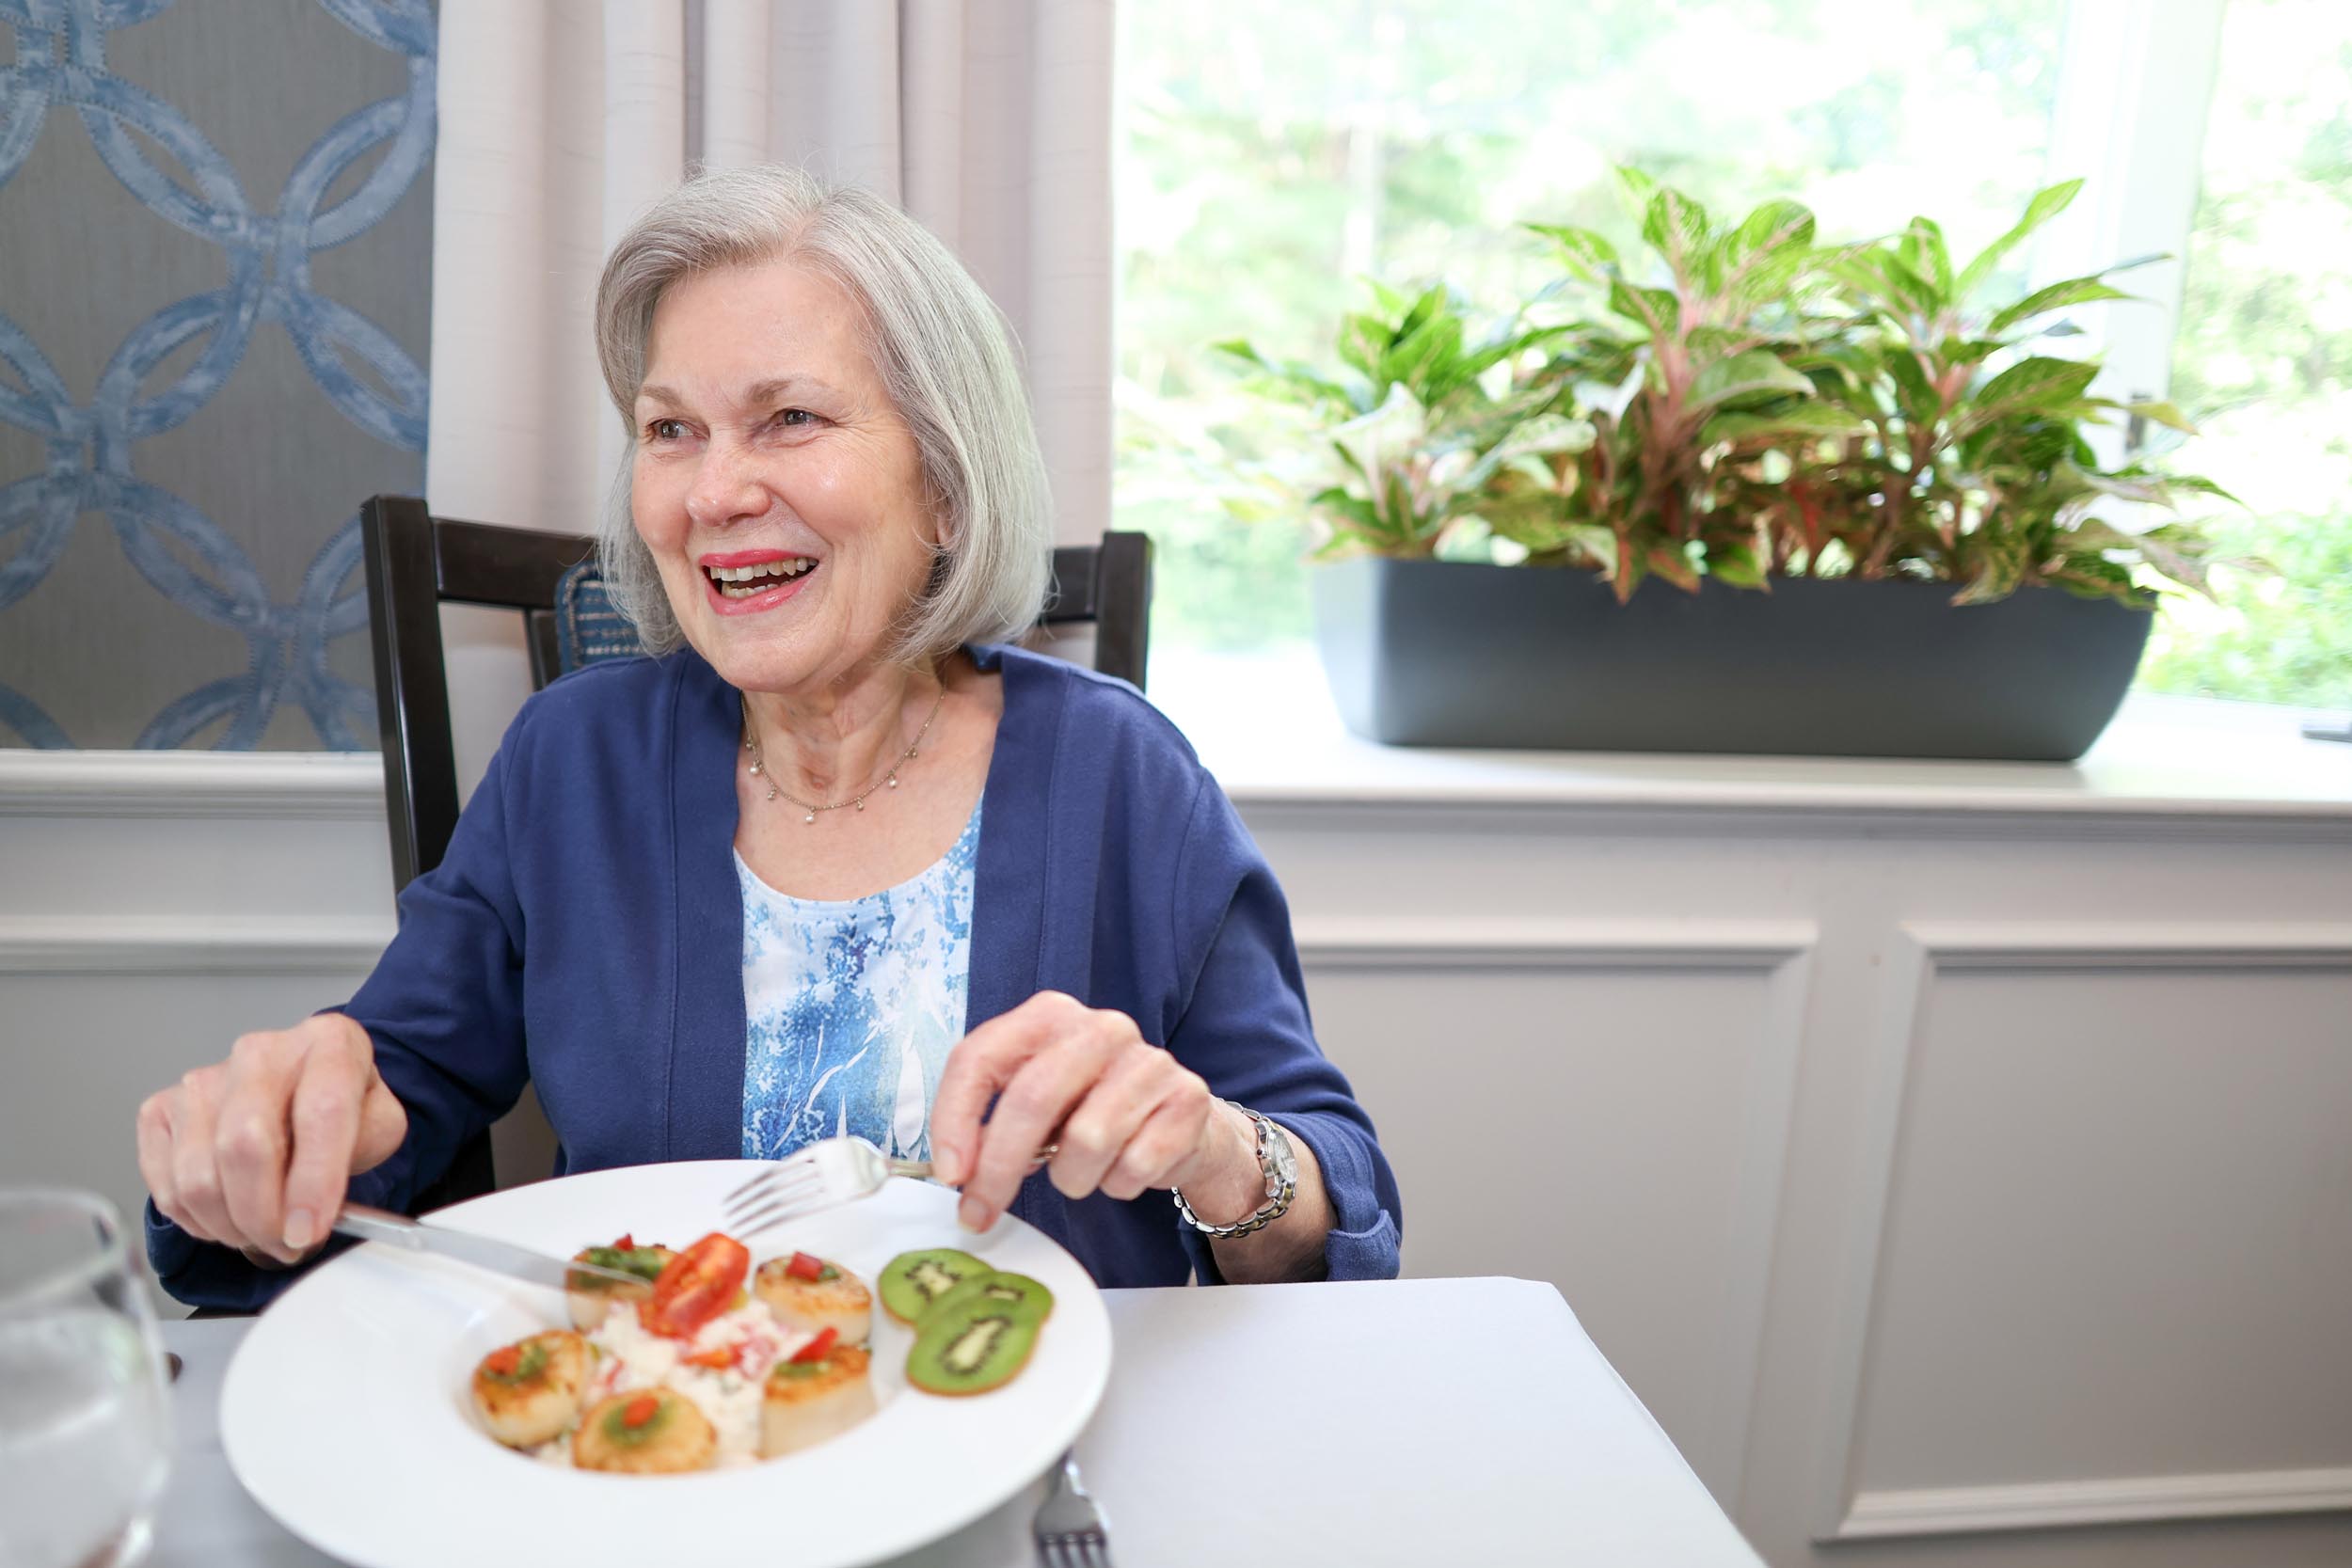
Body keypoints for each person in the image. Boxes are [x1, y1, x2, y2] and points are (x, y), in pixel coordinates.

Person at [135, 166, 1401, 1311]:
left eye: (790, 418)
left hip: (1048, 1465)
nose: (714, 492)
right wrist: (290, 1127)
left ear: (948, 489)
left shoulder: (1123, 773)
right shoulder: (570, 762)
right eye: (670, 428)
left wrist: (1221, 1154)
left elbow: (1342, 1206)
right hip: (665, 1459)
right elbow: (388, 1084)